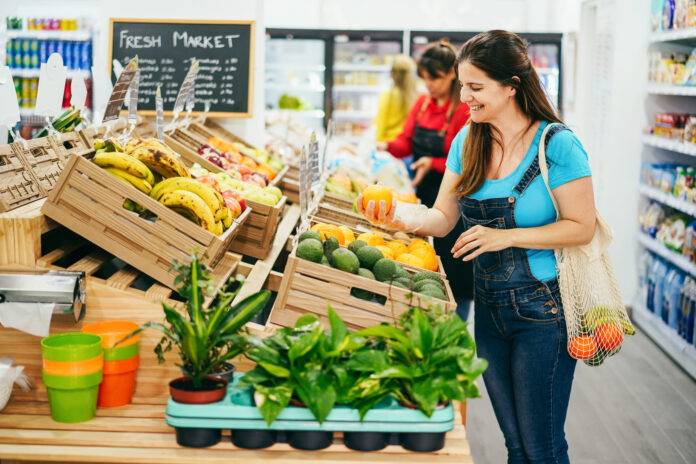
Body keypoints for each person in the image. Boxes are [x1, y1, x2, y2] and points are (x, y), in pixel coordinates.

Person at [359, 30, 595, 464]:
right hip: (490, 310)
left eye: (476, 87)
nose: (464, 97)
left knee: (542, 446)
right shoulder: (468, 141)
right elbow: (442, 218)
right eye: (462, 85)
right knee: (515, 445)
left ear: (512, 85)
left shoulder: (557, 144)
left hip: (543, 312)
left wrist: (506, 236)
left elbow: (582, 227)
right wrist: (395, 215)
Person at [376, 40, 473, 320]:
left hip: (456, 200)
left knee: (455, 269)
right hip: (423, 196)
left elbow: (468, 161)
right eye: (425, 79)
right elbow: (406, 141)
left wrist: (434, 162)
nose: (429, 85)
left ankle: (455, 323)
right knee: (426, 264)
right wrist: (385, 147)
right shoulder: (422, 104)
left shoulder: (463, 111)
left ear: (452, 74)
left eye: (435, 78)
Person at [374, 54, 417, 143]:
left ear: (392, 73)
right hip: (407, 145)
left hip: (388, 144)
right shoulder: (416, 96)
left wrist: (378, 143)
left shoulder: (388, 96)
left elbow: (381, 124)